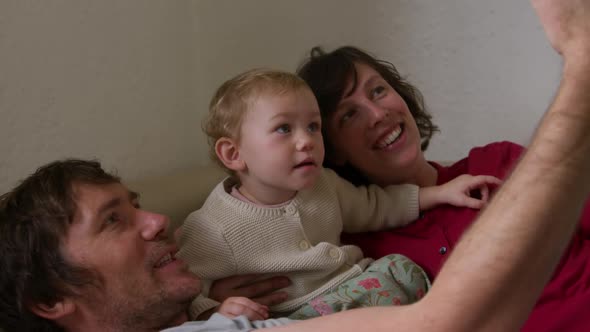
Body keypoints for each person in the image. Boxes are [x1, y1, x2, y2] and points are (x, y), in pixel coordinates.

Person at [0, 0, 589, 330]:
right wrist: (207, 297)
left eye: (379, 91)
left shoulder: (500, 164)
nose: (155, 220)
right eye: (346, 115)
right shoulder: (369, 241)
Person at [178, 68, 499, 320]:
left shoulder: (325, 184)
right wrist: (212, 312)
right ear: (234, 154)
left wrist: (440, 193)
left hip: (358, 286)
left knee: (403, 269)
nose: (306, 140)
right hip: (299, 316)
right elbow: (188, 286)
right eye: (284, 129)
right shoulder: (215, 226)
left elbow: (377, 205)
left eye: (313, 126)